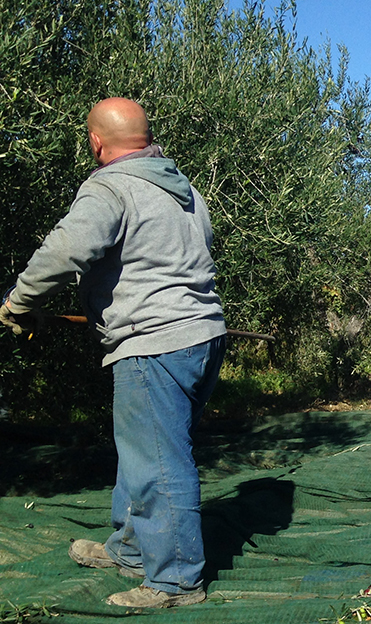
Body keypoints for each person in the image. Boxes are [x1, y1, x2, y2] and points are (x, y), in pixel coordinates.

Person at [0, 98, 226, 608]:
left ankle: (174, 582)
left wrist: (19, 302)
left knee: (159, 462)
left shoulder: (109, 186)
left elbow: (65, 250)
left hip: (155, 342)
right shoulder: (184, 189)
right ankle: (129, 548)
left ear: (96, 142)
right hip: (203, 336)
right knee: (143, 449)